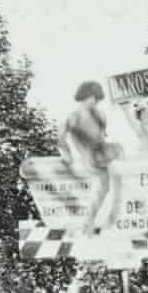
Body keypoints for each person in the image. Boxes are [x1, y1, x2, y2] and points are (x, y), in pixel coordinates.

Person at [57, 80, 123, 233]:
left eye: (97, 99)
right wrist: (66, 154)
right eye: (93, 98)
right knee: (103, 186)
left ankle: (97, 220)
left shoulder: (100, 115)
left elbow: (102, 137)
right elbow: (60, 138)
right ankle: (89, 222)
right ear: (85, 97)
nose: (95, 102)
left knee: (110, 181)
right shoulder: (73, 117)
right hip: (87, 155)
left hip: (100, 153)